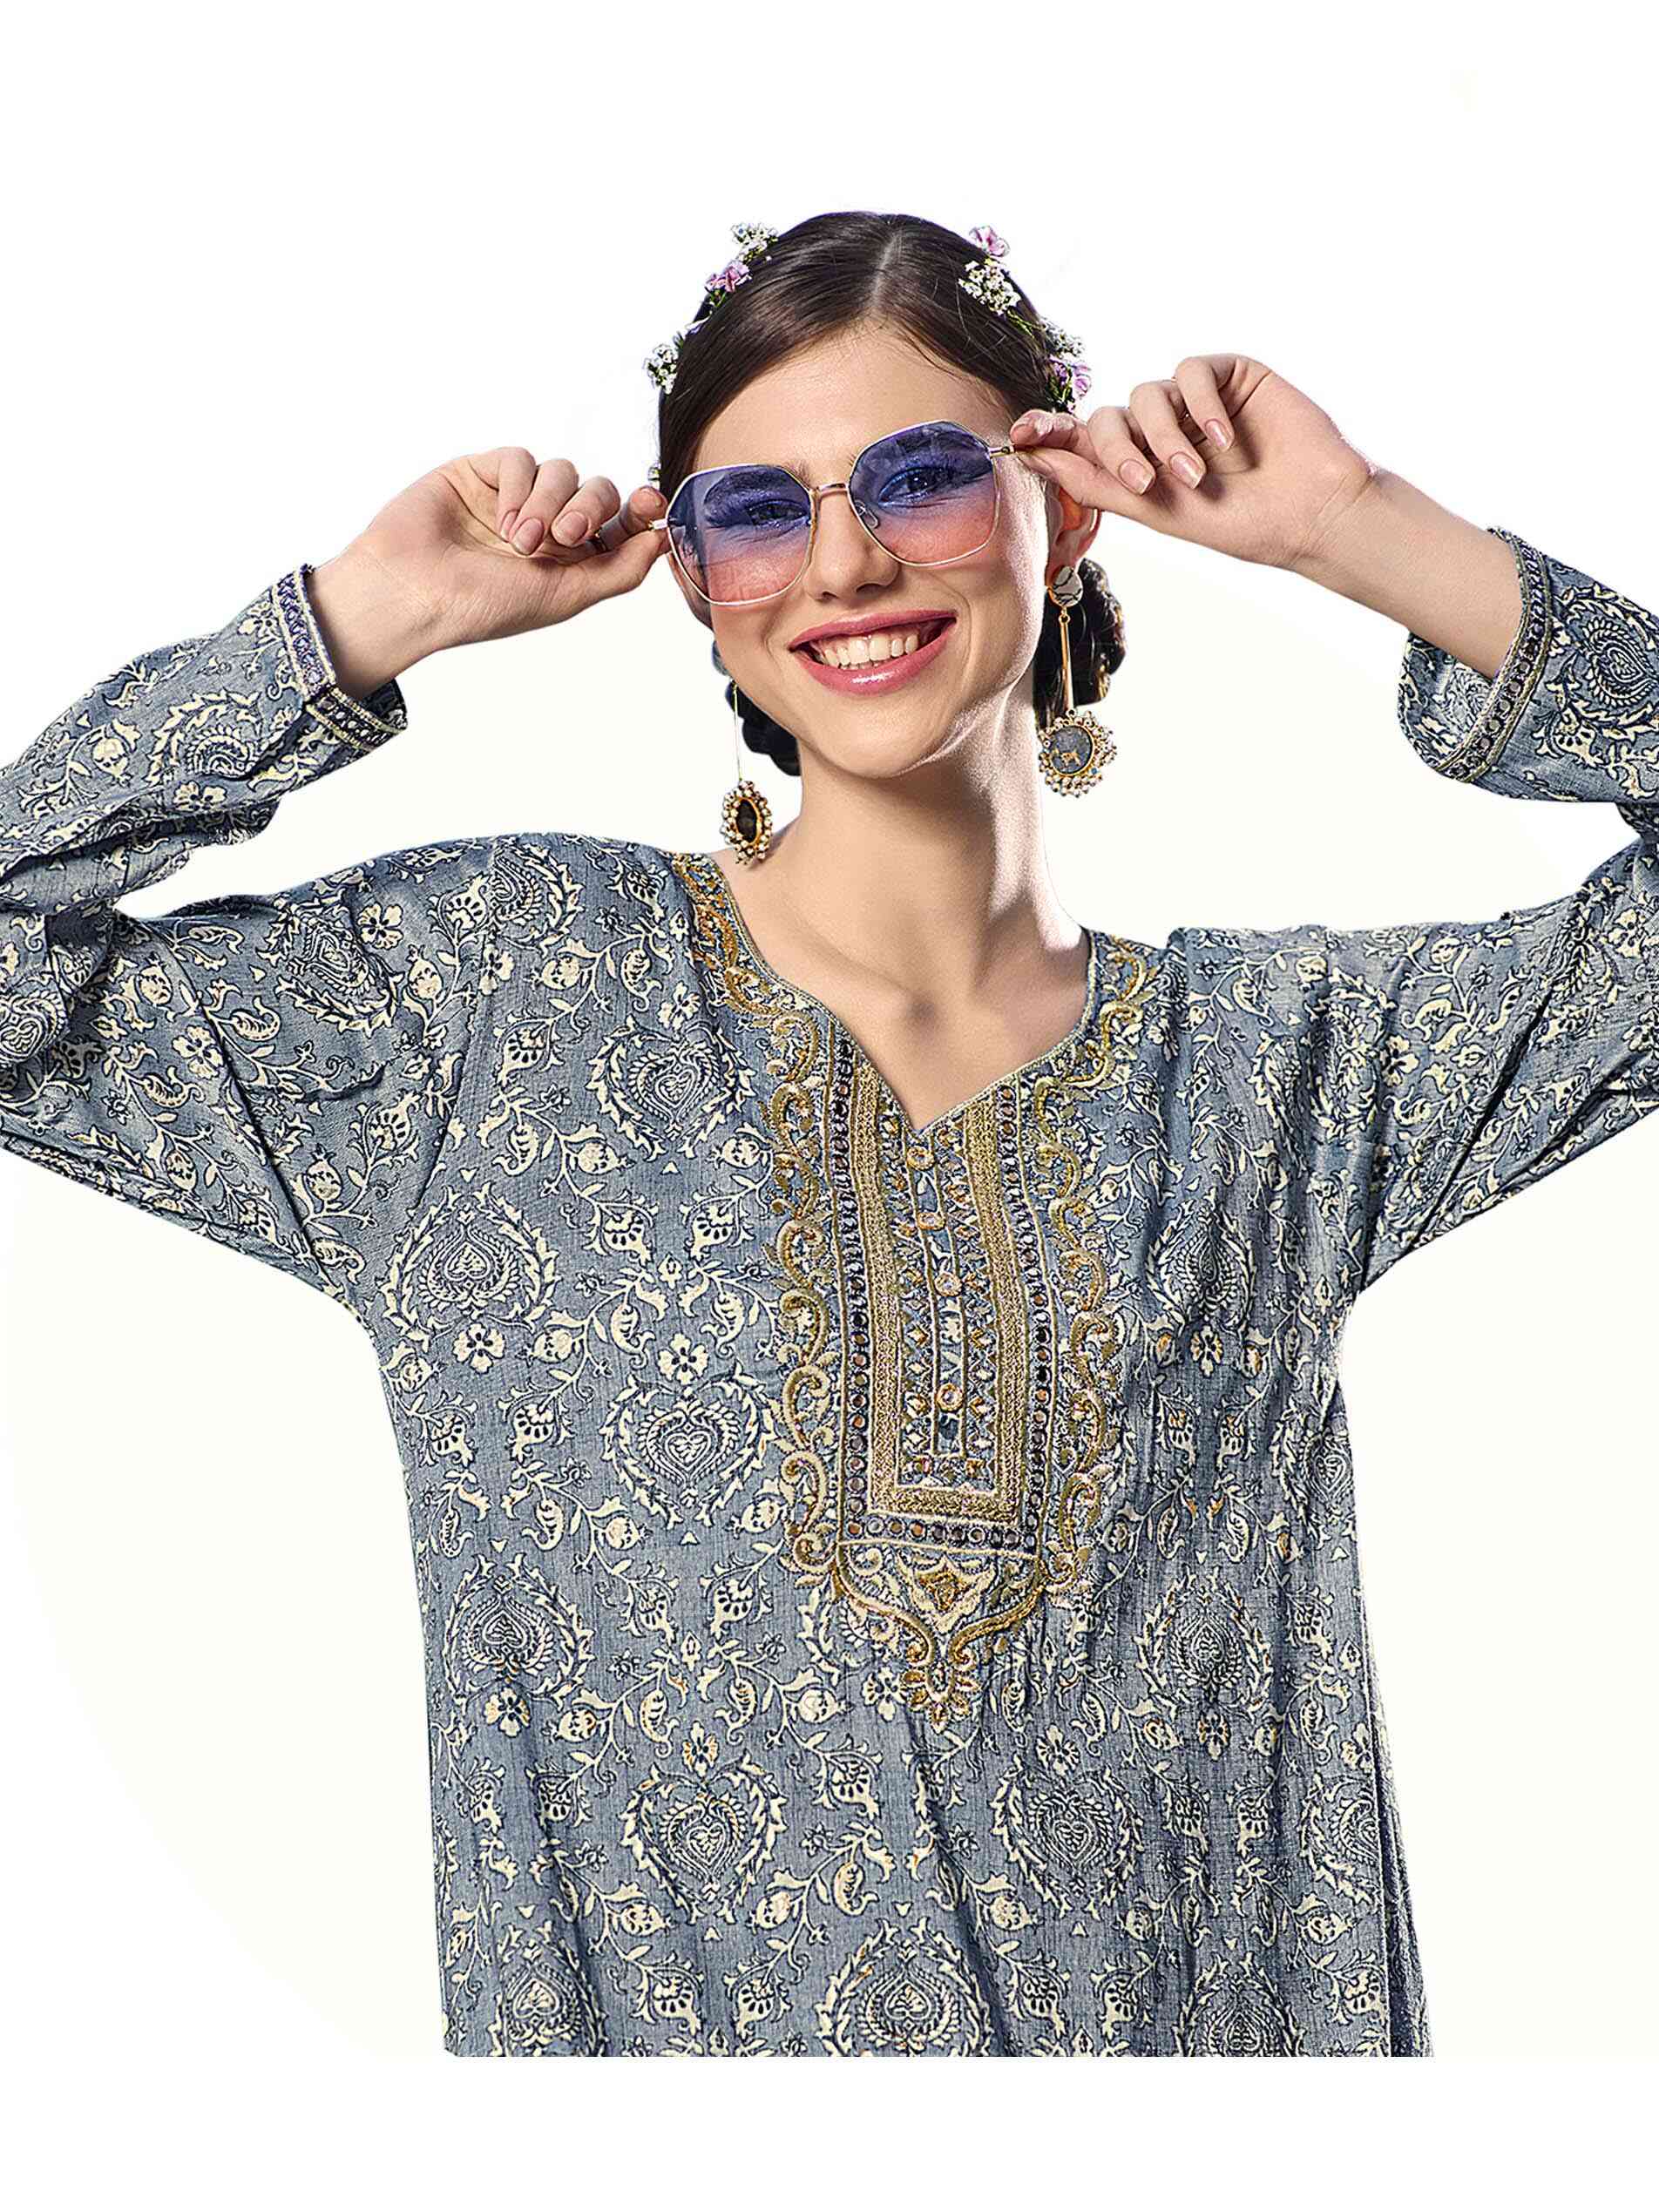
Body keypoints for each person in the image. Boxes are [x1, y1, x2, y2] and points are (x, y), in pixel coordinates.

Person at [1, 211, 1653, 2059]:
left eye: (924, 478)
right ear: (694, 577)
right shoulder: (483, 1007)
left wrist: (1361, 528)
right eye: (758, 512)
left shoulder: (1286, 1079)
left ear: (1065, 509)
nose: (846, 562)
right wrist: (352, 625)